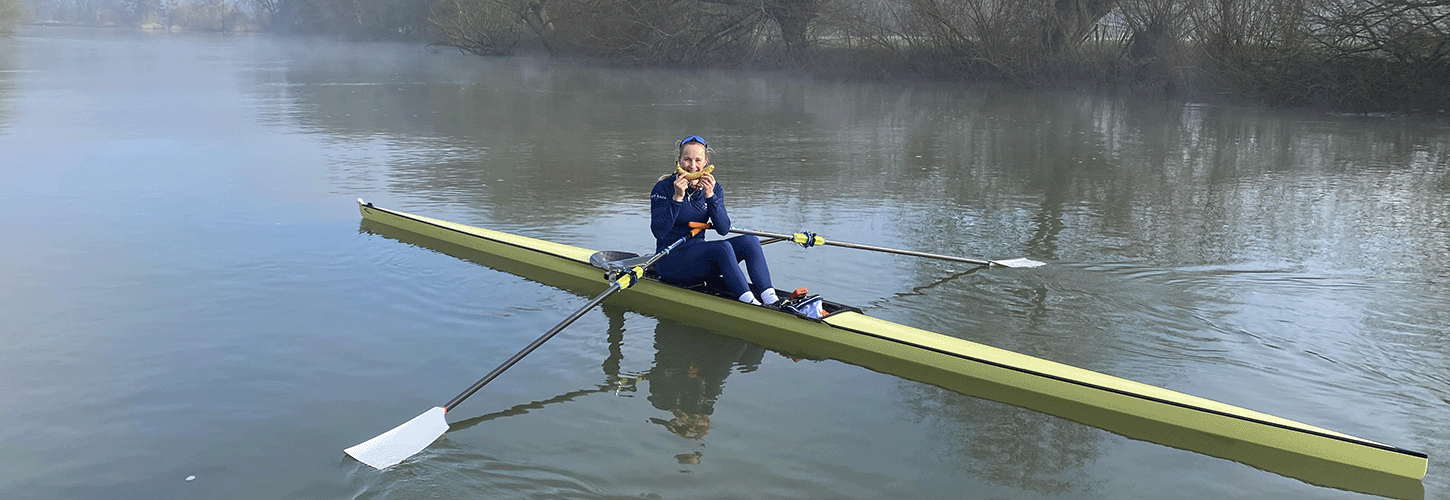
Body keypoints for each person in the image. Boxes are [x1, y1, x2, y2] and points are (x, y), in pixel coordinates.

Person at [650, 135, 779, 306]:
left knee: (750, 241)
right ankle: (751, 304)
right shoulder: (663, 188)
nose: (692, 165)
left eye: (698, 160)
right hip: (669, 261)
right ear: (679, 161)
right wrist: (677, 198)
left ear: (705, 163)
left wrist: (710, 197)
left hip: (699, 258)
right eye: (687, 159)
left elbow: (723, 229)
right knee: (722, 248)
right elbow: (659, 231)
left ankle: (772, 299)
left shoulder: (714, 188)